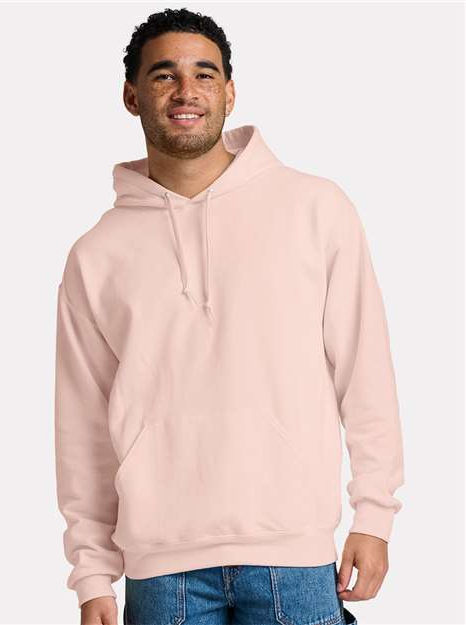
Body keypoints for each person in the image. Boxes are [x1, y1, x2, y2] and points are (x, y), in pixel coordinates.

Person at [54, 7, 405, 625]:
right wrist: (91, 573)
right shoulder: (96, 254)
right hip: (160, 570)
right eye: (164, 75)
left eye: (204, 74)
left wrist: (374, 515)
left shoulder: (315, 208)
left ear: (230, 92)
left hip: (294, 556)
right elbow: (81, 428)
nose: (186, 91)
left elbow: (364, 369)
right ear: (132, 97)